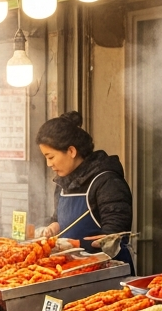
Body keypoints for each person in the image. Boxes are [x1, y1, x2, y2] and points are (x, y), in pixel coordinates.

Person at [36, 111, 135, 272]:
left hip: (107, 273)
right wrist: (53, 228)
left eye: (51, 157)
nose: (48, 164)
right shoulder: (62, 183)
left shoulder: (107, 182)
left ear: (71, 151)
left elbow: (113, 239)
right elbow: (60, 219)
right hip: (72, 270)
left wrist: (75, 244)